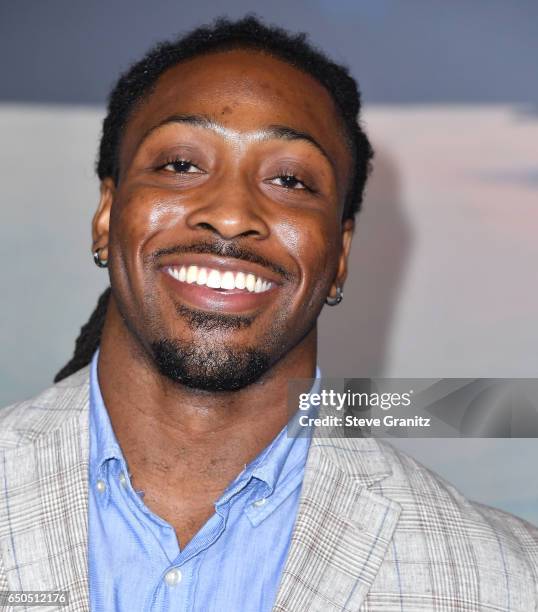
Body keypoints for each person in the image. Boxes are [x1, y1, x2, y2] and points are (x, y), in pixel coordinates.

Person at [0, 15, 536, 612]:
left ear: (339, 255)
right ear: (107, 213)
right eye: (180, 165)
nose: (230, 214)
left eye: (290, 180)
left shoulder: (507, 582)